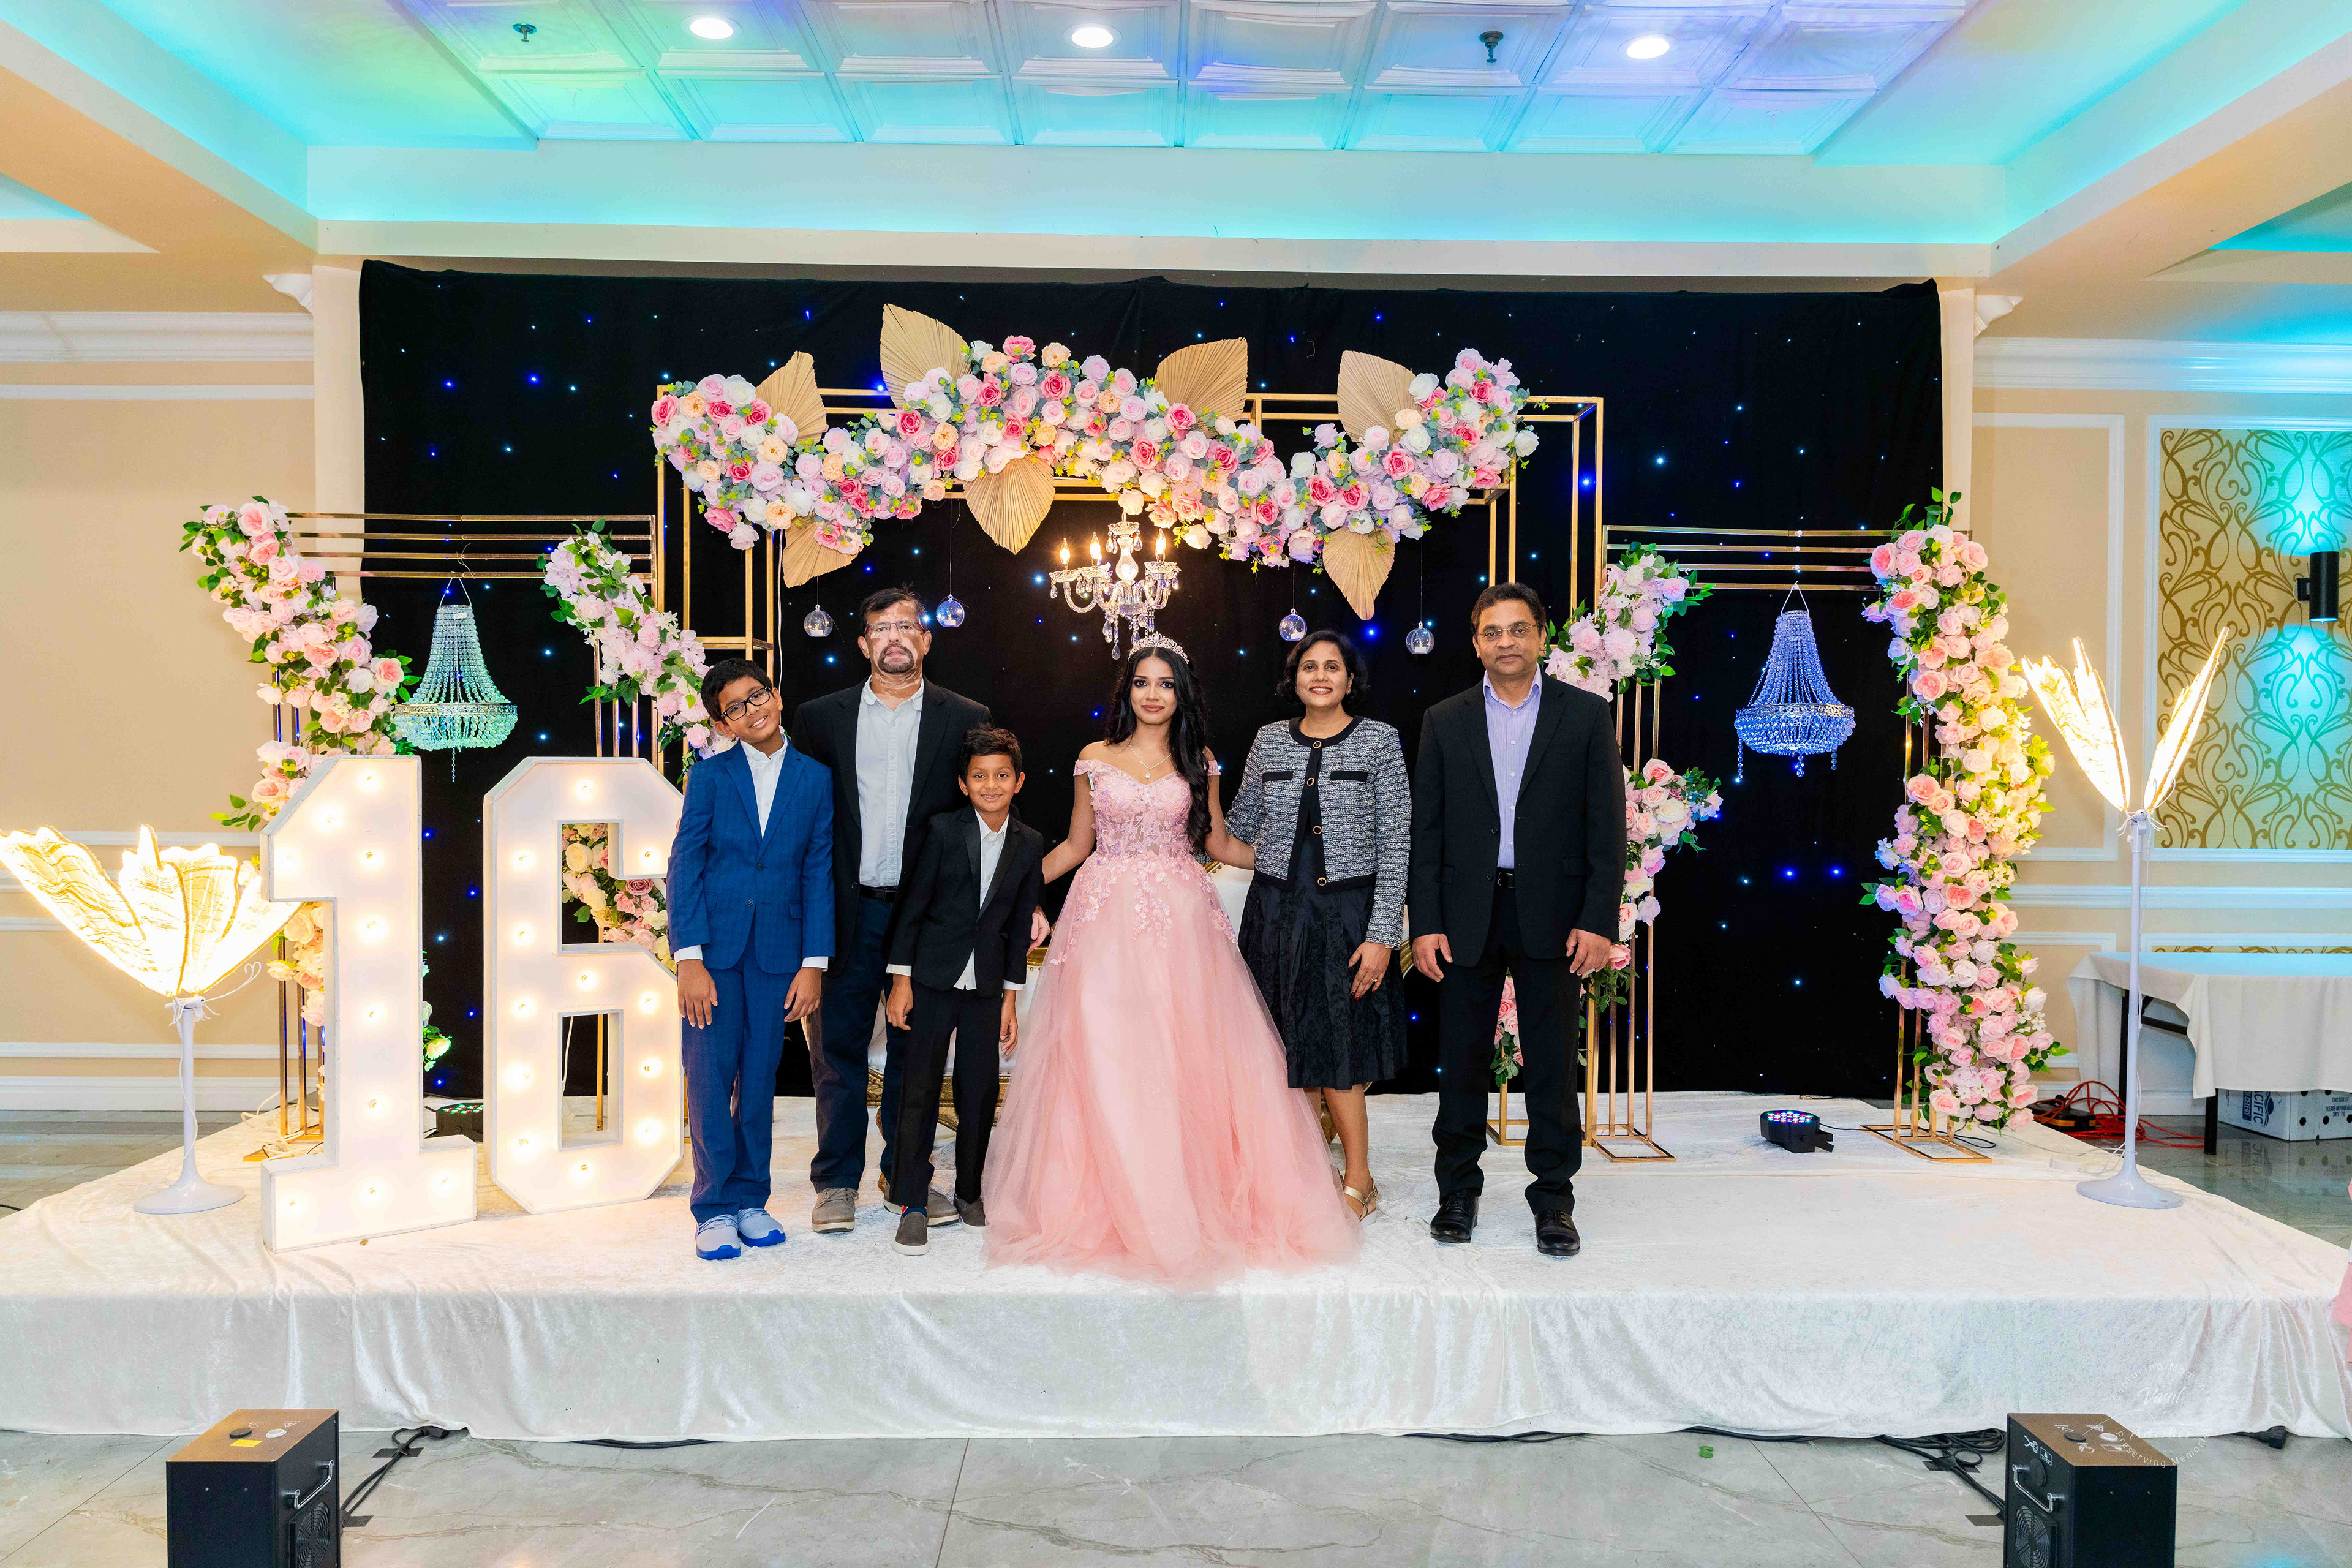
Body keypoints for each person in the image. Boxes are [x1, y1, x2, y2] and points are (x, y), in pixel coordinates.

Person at [982, 635, 1359, 1289]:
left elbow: (1218, 843)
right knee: (1105, 1050)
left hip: (1182, 920)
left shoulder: (1200, 761)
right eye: (1141, 683)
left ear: (1182, 694)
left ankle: (1182, 1194)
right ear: (1126, 691)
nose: (1152, 694)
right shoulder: (1094, 757)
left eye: (1165, 683)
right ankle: (1108, 1195)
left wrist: (1296, 859)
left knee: (1184, 1051)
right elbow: (1075, 845)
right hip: (1104, 916)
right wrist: (1009, 894)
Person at [1408, 583, 1626, 1259]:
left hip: (1555, 915)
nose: (1506, 641)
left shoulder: (1584, 714)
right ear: (1476, 643)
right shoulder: (1444, 719)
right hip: (1465, 915)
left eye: (1519, 629)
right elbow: (1427, 830)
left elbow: (1607, 826)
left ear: (1541, 637)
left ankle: (1554, 1198)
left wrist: (1598, 919)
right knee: (1461, 1061)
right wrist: (1425, 921)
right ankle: (1457, 1191)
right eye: (1492, 631)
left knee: (1553, 1063)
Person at [790, 587, 989, 1236]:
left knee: (916, 1054)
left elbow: (983, 813)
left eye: (907, 626)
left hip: (927, 917)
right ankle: (836, 1182)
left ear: (926, 640)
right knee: (837, 1050)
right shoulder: (820, 718)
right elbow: (804, 821)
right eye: (882, 628)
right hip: (846, 910)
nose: (895, 637)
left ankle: (906, 1178)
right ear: (863, 643)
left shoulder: (967, 716)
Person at [1221, 630, 1411, 1220]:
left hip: (1347, 919)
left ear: (1350, 680)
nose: (1321, 676)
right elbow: (1238, 826)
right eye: (1309, 667)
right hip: (1275, 915)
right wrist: (1198, 791)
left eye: (1333, 667)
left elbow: (1397, 843)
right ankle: (1304, 1176)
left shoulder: (1380, 741)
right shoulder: (1269, 740)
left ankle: (1360, 1179)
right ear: (1295, 678)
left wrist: (1382, 936)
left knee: (1339, 1054)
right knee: (1284, 1053)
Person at [668, 658, 833, 1262]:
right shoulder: (710, 777)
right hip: (713, 952)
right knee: (710, 1078)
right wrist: (688, 957)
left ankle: (749, 1199)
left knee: (760, 1079)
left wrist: (813, 961)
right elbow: (685, 863)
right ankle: (712, 1207)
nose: (751, 710)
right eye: (734, 707)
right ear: (723, 724)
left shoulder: (816, 778)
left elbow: (817, 869)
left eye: (756, 695)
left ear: (777, 696)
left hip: (778, 954)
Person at [882, 725, 1043, 1257]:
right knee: (919, 1090)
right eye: (979, 776)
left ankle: (970, 1191)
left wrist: (1010, 999)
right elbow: (913, 907)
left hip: (987, 988)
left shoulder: (1029, 843)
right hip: (931, 980)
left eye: (1001, 775)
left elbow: (1018, 926)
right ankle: (911, 1201)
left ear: (1019, 781)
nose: (990, 785)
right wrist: (901, 981)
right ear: (963, 782)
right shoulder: (942, 830)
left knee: (979, 1090)